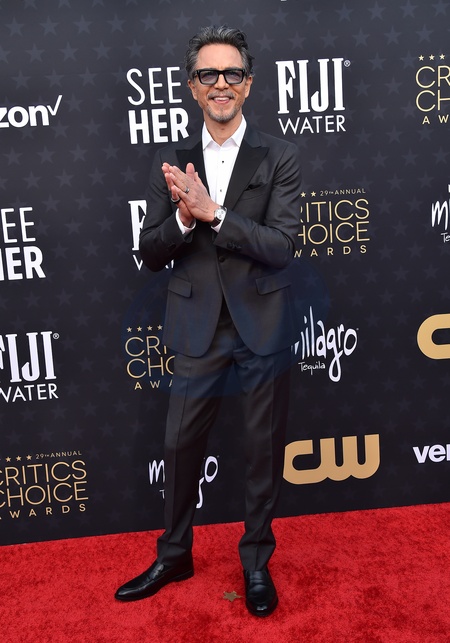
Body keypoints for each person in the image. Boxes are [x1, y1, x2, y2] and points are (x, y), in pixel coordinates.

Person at [115, 25, 302, 617]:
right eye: (208, 74)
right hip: (197, 325)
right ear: (192, 87)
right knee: (179, 444)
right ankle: (174, 554)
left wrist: (214, 213)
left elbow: (282, 246)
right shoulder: (171, 162)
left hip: (261, 323)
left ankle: (256, 563)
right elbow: (149, 252)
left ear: (248, 84)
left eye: (232, 73)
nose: (221, 84)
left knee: (262, 448)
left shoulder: (280, 156)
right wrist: (182, 220)